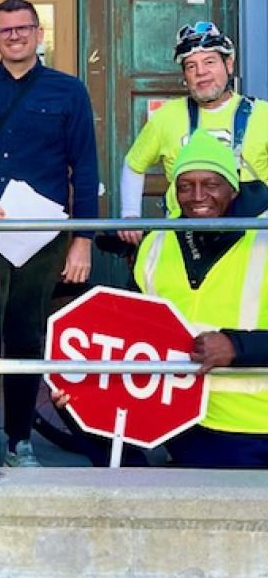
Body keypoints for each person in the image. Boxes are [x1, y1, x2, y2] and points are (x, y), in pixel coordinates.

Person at [0, 0, 99, 467]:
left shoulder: (68, 92)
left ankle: (19, 438)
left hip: (42, 233)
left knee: (27, 334)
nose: (14, 36)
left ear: (38, 33)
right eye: (5, 30)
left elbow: (84, 168)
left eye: (23, 28)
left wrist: (83, 239)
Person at [133, 130, 268, 467]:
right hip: (177, 421)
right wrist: (79, 383)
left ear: (233, 188)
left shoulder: (264, 238)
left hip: (254, 427)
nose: (196, 197)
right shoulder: (156, 243)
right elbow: (129, 328)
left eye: (210, 184)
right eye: (184, 186)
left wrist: (237, 347)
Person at [119, 21, 268, 243]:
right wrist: (130, 215)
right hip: (184, 240)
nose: (201, 73)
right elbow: (134, 164)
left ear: (229, 64)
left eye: (209, 62)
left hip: (254, 242)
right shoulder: (167, 117)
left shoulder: (263, 115)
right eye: (191, 66)